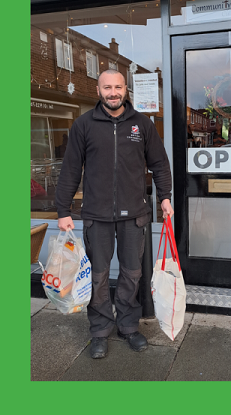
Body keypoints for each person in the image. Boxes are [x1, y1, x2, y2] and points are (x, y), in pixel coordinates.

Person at [55, 70, 173, 360]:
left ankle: (129, 326)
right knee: (98, 275)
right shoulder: (83, 125)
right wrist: (63, 210)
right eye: (107, 87)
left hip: (134, 215)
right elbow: (70, 169)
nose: (113, 92)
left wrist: (166, 196)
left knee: (133, 274)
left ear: (125, 89)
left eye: (117, 87)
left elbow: (159, 163)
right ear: (98, 90)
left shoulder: (142, 125)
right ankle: (99, 331)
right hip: (97, 215)